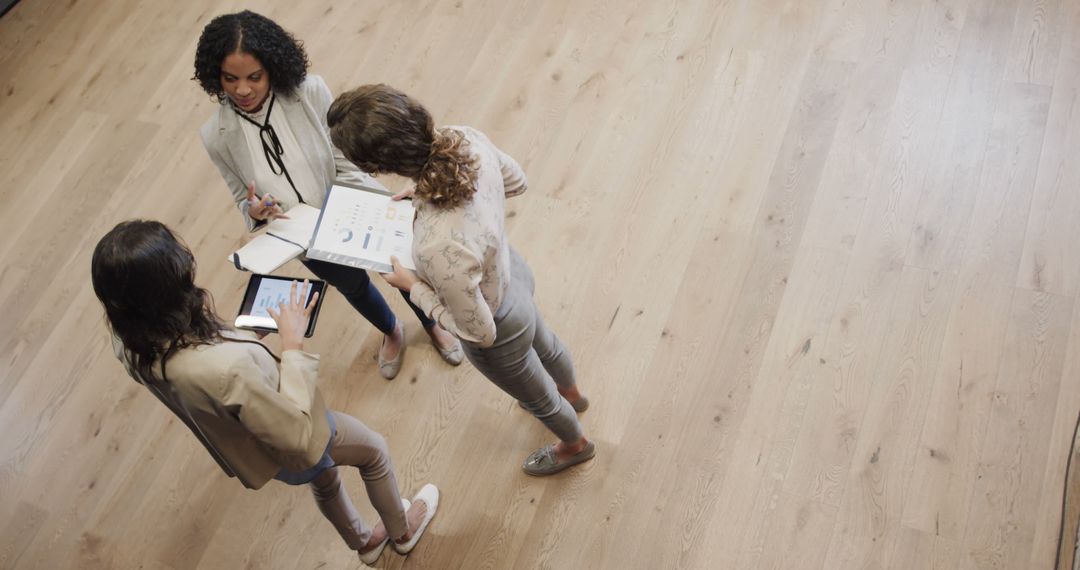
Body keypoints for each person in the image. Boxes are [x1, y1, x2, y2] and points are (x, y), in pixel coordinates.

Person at [91, 220, 439, 563]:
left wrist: (244, 339)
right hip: (288, 431)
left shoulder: (127, 343)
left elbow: (210, 373)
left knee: (324, 479)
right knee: (373, 451)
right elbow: (298, 436)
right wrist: (292, 344)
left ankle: (364, 543)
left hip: (250, 449)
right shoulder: (230, 368)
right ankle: (402, 532)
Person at [326, 85, 596, 476]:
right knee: (548, 344)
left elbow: (480, 333)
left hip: (499, 323)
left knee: (540, 401)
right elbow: (516, 181)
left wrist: (412, 287)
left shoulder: (437, 244)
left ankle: (575, 445)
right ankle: (573, 394)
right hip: (513, 272)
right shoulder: (462, 137)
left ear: (377, 166)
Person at [193, 10, 461, 379]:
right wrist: (255, 211)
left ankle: (432, 324)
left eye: (254, 77)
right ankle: (391, 330)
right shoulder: (215, 135)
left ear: (272, 67)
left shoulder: (310, 92)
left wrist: (373, 204)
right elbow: (242, 198)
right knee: (353, 286)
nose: (242, 89)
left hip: (352, 205)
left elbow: (345, 159)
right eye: (230, 78)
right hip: (302, 236)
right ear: (215, 75)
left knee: (401, 267)